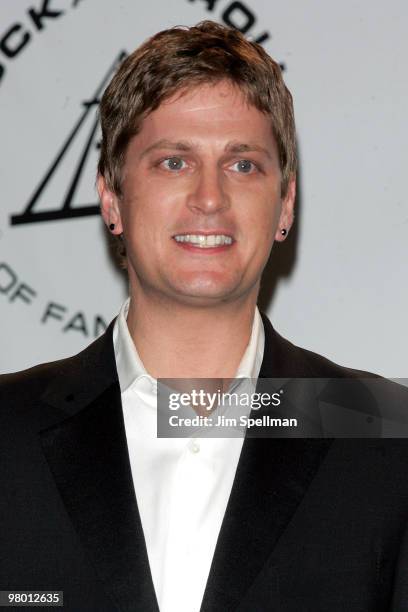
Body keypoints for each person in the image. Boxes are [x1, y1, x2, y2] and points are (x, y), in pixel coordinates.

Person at [0, 20, 407, 612]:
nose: (210, 198)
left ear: (285, 203)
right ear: (112, 198)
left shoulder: (385, 439)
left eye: (243, 165)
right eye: (173, 162)